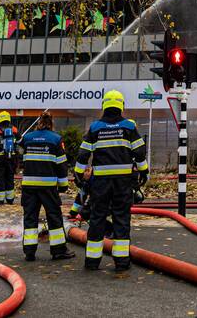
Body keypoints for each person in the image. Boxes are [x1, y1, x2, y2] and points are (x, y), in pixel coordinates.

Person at [73, 89, 148, 272]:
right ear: (121, 106)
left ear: (104, 105)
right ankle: (122, 262)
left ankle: (92, 261)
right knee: (121, 219)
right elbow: (139, 152)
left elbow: (83, 154)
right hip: (123, 183)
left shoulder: (95, 127)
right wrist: (144, 171)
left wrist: (78, 174)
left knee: (97, 218)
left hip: (100, 184)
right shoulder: (129, 127)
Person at [16, 113, 74, 262]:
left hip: (29, 186)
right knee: (54, 217)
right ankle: (59, 251)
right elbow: (62, 165)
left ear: (38, 123)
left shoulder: (28, 138)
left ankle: (29, 252)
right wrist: (63, 185)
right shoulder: (55, 139)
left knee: (30, 218)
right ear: (51, 123)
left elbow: (19, 151)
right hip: (48, 187)